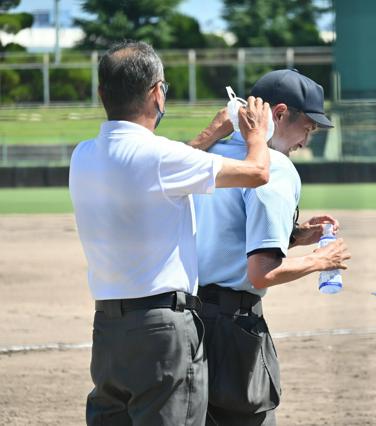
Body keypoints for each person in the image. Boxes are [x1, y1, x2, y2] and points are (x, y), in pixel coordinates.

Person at [69, 40, 272, 426]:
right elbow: (257, 172)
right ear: (156, 93)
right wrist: (257, 135)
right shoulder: (160, 157)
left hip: (108, 329)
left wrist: (210, 132)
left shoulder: (83, 155)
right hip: (162, 328)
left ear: (101, 93)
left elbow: (159, 169)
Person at [193, 69, 351, 425]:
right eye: (307, 128)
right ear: (279, 114)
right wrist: (320, 259)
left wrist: (293, 236)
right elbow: (262, 273)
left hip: (188, 321)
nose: (304, 141)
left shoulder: (210, 155)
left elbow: (225, 234)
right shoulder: (276, 167)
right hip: (232, 329)